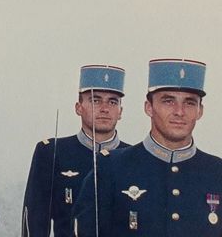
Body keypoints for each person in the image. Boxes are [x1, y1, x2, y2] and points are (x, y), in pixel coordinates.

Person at [73, 58, 222, 236]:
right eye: (168, 101)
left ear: (200, 111)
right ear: (149, 108)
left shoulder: (216, 171)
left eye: (190, 103)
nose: (179, 111)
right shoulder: (111, 168)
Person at [22, 65, 128, 237]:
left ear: (120, 111)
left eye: (112, 102)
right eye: (95, 100)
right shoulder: (52, 152)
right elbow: (35, 220)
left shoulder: (134, 157)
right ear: (79, 107)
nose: (104, 108)